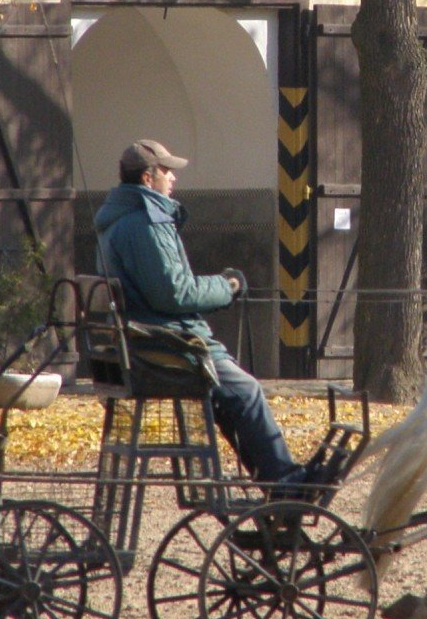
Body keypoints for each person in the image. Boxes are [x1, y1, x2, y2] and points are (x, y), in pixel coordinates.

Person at [94, 139, 302, 484]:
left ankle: (276, 478)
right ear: (148, 178)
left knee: (234, 395)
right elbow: (175, 293)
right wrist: (228, 286)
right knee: (246, 391)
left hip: (145, 341)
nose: (173, 178)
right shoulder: (146, 223)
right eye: (167, 171)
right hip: (166, 346)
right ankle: (285, 481)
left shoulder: (117, 220)